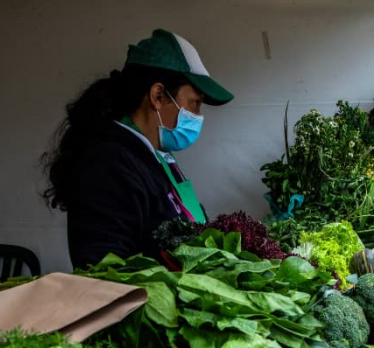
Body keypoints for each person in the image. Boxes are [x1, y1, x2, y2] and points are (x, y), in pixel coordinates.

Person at [42, 29, 234, 268]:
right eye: (194, 103)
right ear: (157, 96)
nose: (198, 115)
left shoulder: (158, 158)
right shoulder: (108, 163)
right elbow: (104, 271)